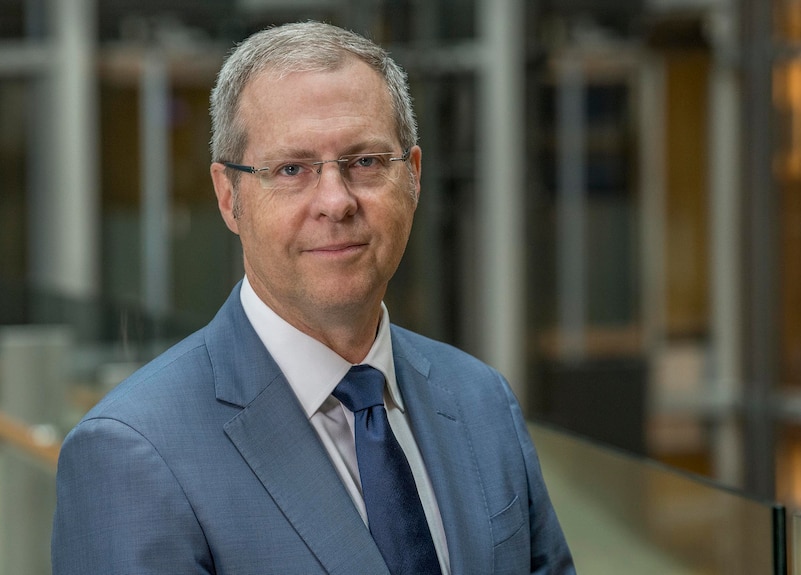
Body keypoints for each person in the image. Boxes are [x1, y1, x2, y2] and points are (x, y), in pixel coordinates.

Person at [51, 21, 576, 575]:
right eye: (292, 169)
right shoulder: (132, 455)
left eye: (366, 162)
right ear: (230, 198)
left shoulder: (481, 401)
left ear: (414, 178)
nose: (335, 201)